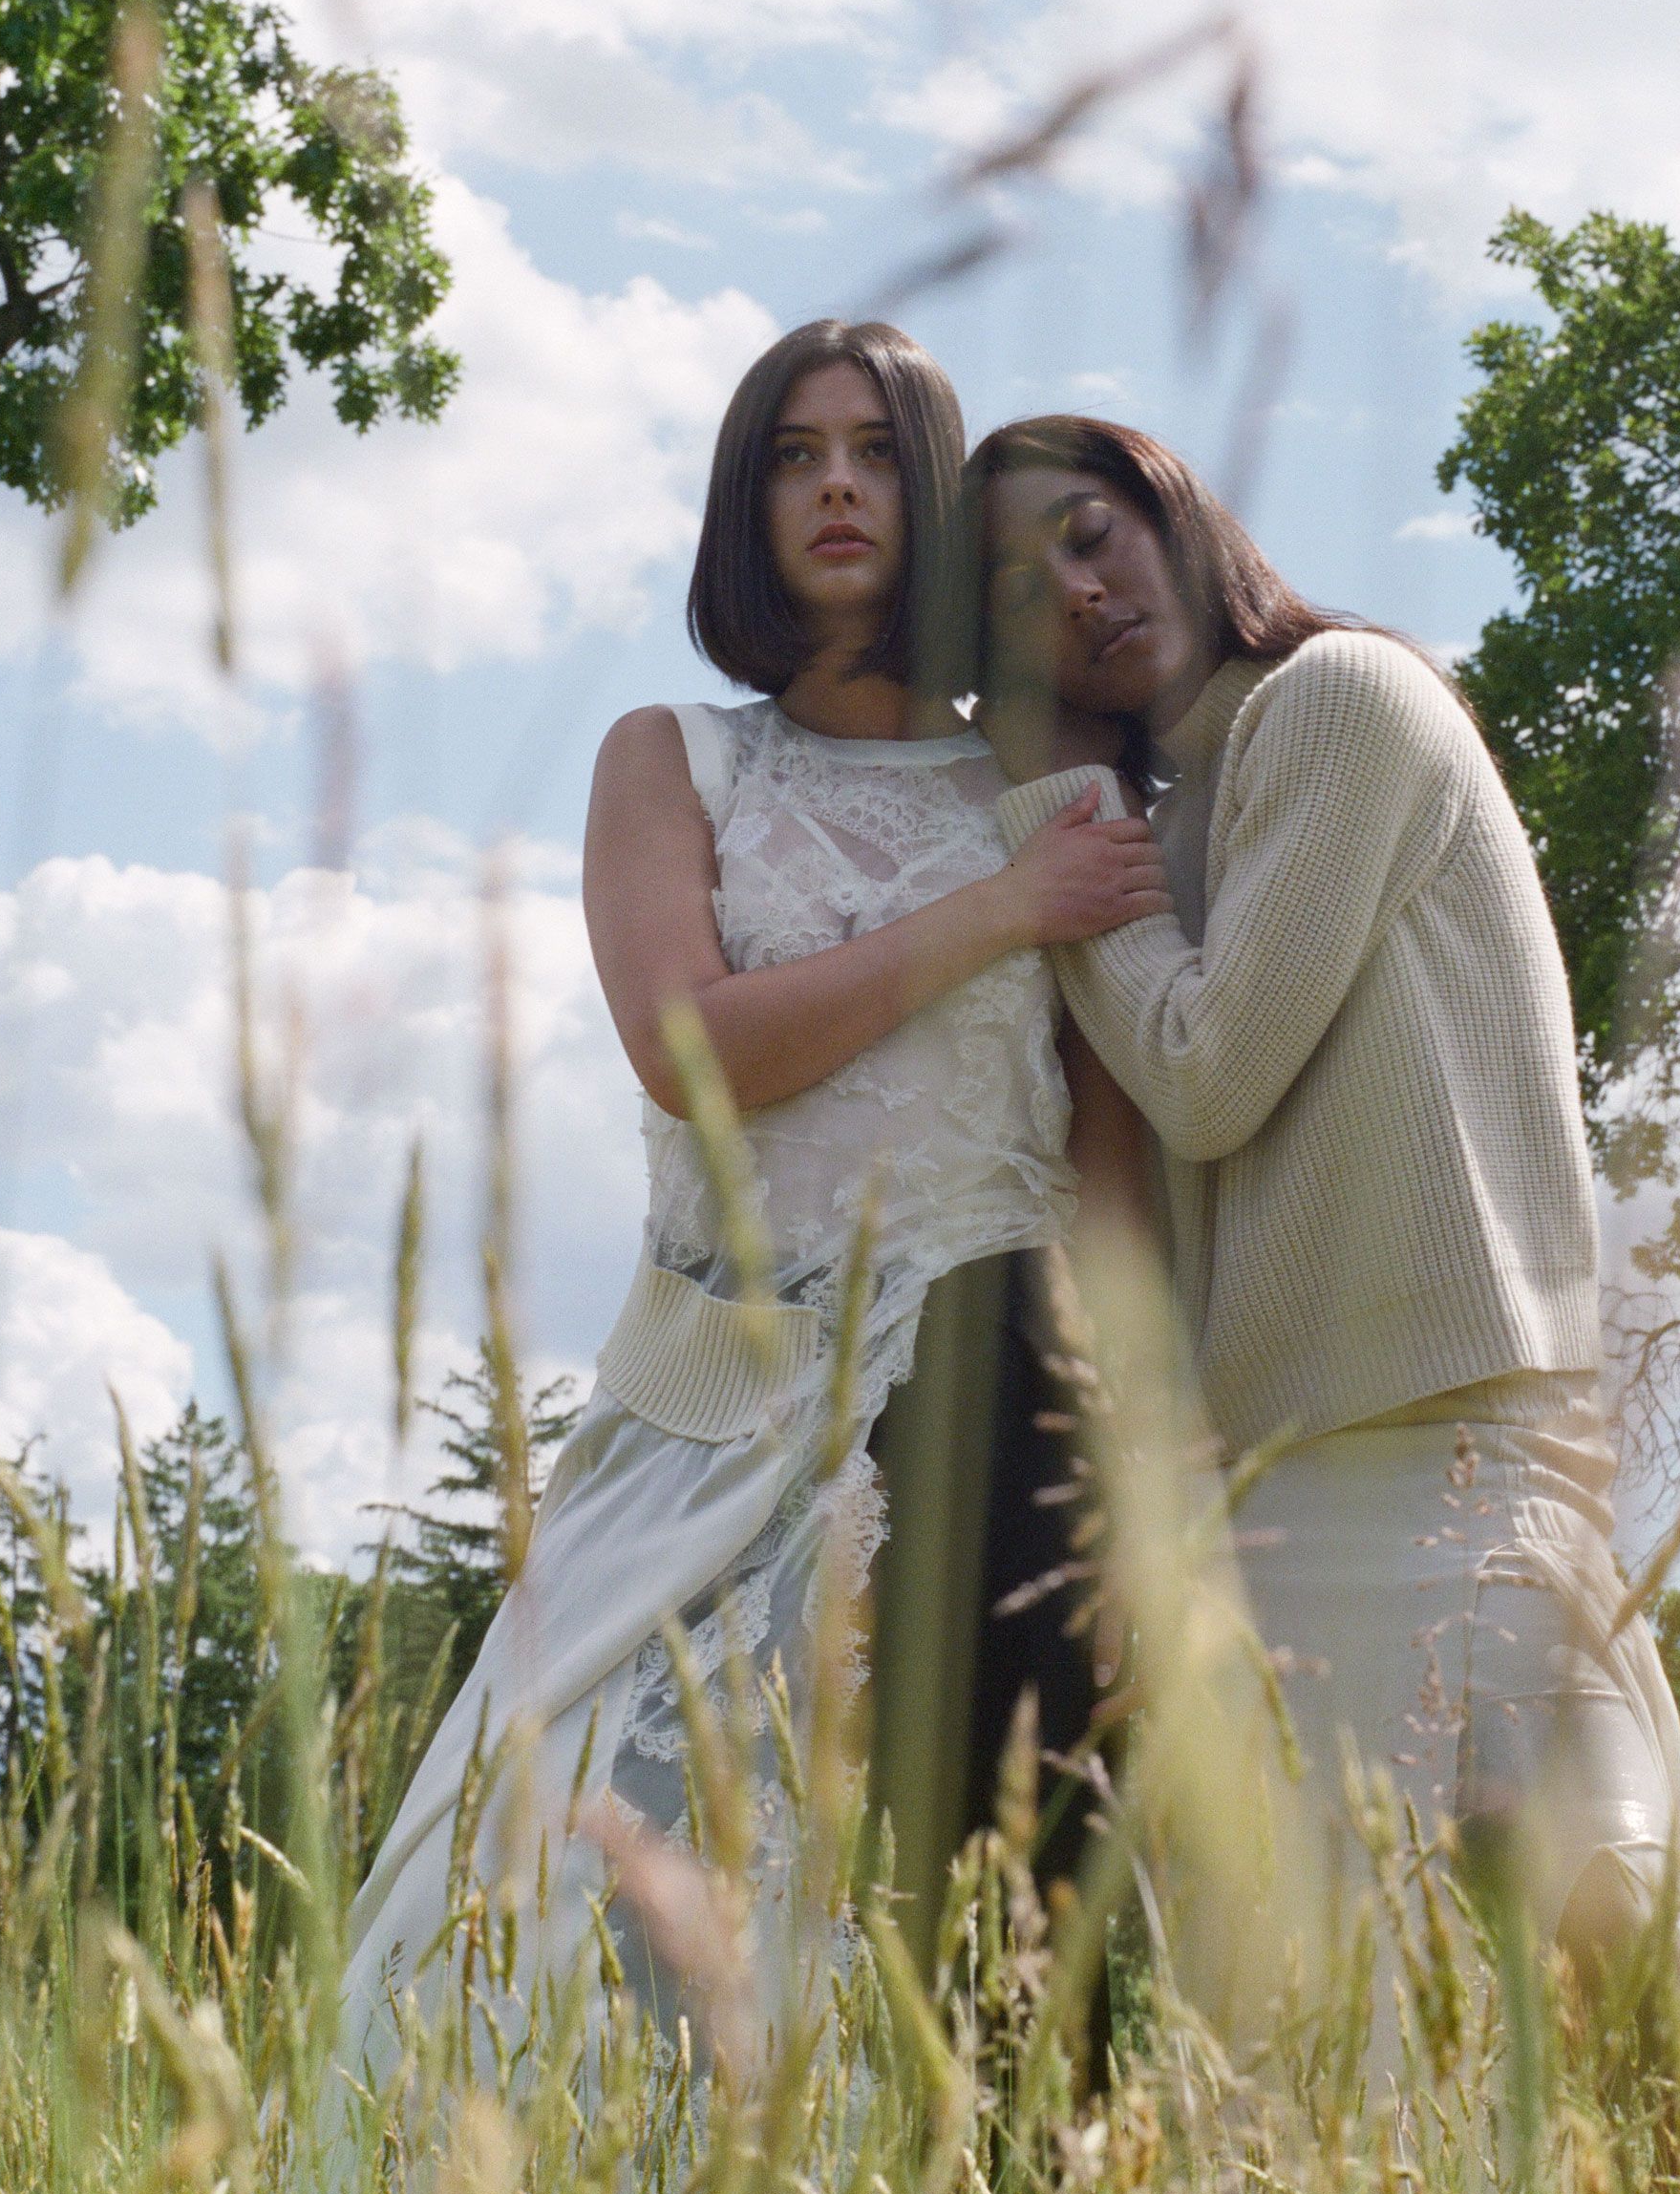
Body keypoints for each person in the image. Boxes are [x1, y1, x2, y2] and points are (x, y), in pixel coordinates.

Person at [335, 325, 1161, 2074]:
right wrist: (1002, 911)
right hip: (716, 1402)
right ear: (745, 499)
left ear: (931, 490)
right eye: (795, 455)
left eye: (873, 450)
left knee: (991, 1937)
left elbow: (1108, 1165)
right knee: (516, 1897)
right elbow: (688, 1050)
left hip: (1003, 1412)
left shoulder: (1053, 782)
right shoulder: (677, 760)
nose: (840, 484)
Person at [971, 415, 1680, 2074]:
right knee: (1326, 2142)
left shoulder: (1347, 699)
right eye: (1022, 589)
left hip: (1448, 1482)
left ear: (1178, 513)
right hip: (1288, 1521)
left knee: (1572, 2108)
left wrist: (1059, 849)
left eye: (1092, 532)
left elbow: (1211, 1071)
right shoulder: (1167, 838)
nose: (1078, 591)